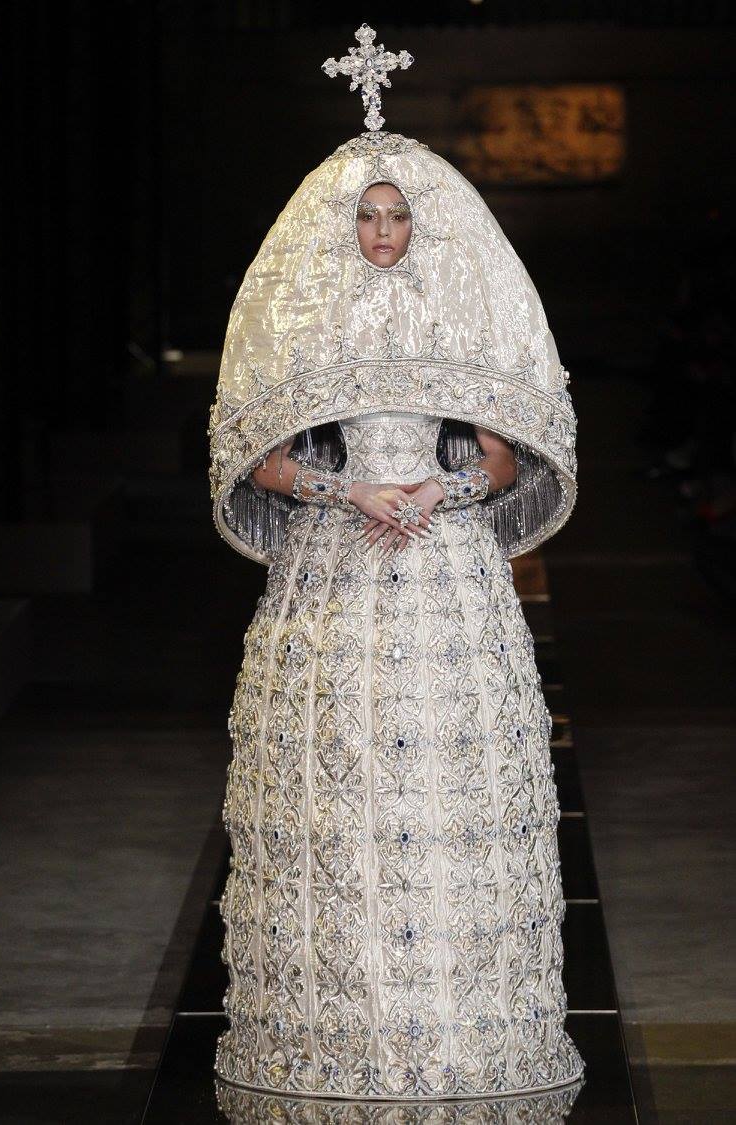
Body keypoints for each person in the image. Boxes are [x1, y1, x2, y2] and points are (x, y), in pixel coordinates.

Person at [209, 25, 585, 1107]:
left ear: (423, 224)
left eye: (397, 215)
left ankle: (463, 1031)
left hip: (443, 565)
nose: (382, 230)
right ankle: (335, 1032)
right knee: (342, 791)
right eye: (368, 216)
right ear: (345, 226)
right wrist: (350, 493)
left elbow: (503, 456)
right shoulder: (302, 319)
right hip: (334, 570)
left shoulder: (459, 314)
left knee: (448, 795)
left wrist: (436, 493)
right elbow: (260, 457)